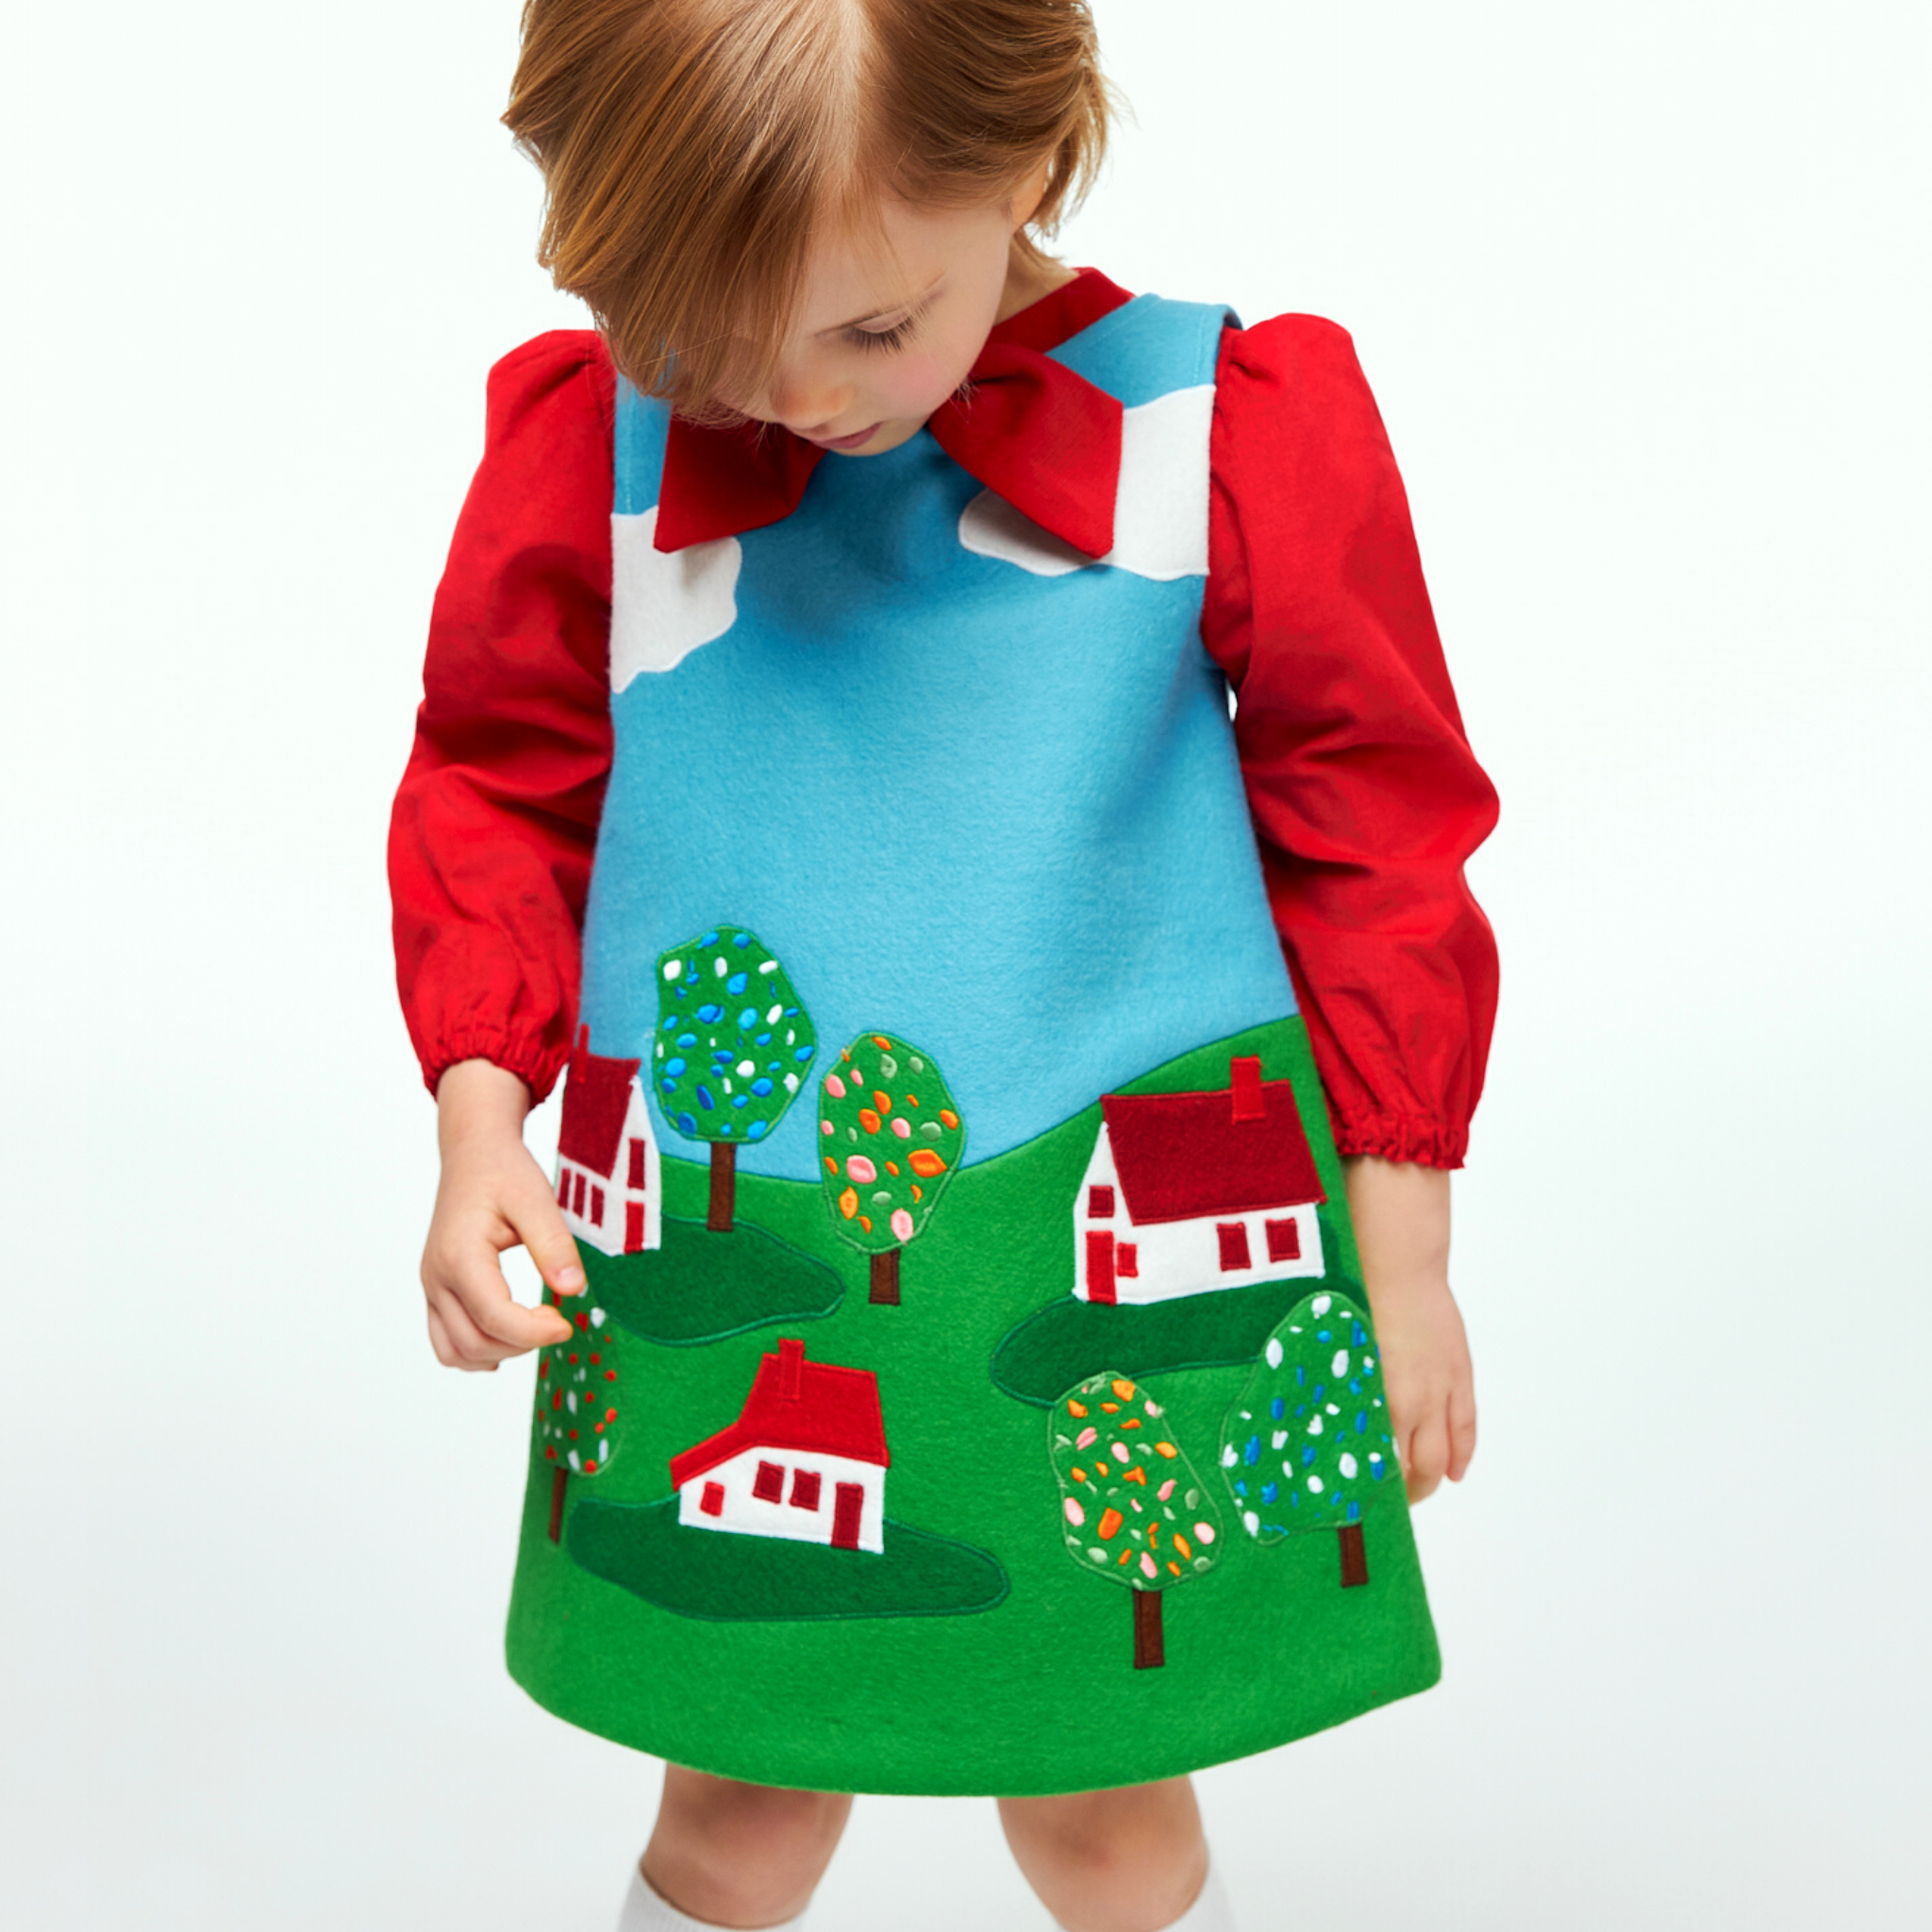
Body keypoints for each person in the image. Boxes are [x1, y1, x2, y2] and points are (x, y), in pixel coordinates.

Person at [389, 3, 1497, 1927]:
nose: (799, 402)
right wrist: (479, 1116)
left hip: (1097, 1246)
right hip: (722, 1281)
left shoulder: (1220, 427)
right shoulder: (604, 449)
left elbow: (1374, 830)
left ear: (1035, 151)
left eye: (870, 329)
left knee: (1106, 1819)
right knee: (732, 1808)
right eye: (712, 347)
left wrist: (1403, 1255)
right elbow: (496, 782)